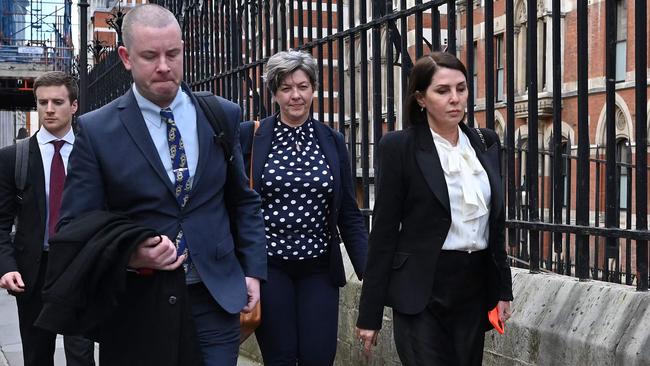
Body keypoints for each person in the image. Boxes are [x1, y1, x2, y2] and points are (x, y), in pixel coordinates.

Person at [56, 4, 267, 365]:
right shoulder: (96, 130)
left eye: (173, 53)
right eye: (151, 56)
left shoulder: (220, 115)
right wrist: (129, 253)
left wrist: (252, 272)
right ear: (125, 57)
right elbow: (74, 227)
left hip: (214, 298)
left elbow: (242, 201)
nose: (165, 66)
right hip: (136, 304)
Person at [355, 52, 514, 366]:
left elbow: (495, 225)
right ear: (421, 98)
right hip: (421, 291)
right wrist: (369, 314)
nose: (455, 99)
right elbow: (384, 234)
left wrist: (503, 290)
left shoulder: (486, 142)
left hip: (473, 288)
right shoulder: (398, 147)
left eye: (461, 89)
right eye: (442, 91)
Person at [239, 49, 368, 366]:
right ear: (274, 93)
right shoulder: (251, 136)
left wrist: (371, 274)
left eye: (302, 86)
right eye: (286, 88)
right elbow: (237, 203)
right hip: (270, 268)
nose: (295, 96)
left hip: (319, 268)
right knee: (281, 357)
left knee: (319, 356)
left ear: (313, 89)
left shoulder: (332, 140)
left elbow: (349, 213)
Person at [0, 71, 96, 366]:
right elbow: (1, 223)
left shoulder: (91, 153)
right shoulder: (13, 158)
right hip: (33, 271)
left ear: (74, 105)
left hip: (80, 268)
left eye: (57, 101)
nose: (49, 109)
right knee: (37, 353)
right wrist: (6, 267)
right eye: (42, 103)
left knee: (81, 354)